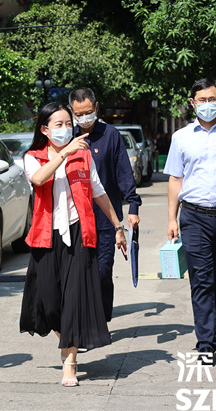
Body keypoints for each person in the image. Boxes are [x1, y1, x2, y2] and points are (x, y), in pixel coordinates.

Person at [19, 102, 127, 387]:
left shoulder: (84, 155)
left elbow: (99, 192)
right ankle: (68, 341)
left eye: (69, 124)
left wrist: (118, 226)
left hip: (80, 234)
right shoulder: (33, 157)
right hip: (46, 235)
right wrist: (64, 154)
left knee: (74, 301)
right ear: (45, 129)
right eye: (59, 124)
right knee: (49, 302)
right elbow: (38, 179)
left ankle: (70, 362)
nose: (66, 129)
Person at [165, 78, 216, 363]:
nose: (209, 104)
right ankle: (206, 342)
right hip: (194, 217)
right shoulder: (181, 137)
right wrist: (172, 218)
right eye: (202, 100)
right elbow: (176, 179)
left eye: (213, 99)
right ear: (193, 103)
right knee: (201, 280)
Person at [69, 87, 142, 323]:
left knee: (102, 270)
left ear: (97, 108)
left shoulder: (111, 135)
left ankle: (101, 319)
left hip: (105, 219)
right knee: (79, 274)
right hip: (74, 219)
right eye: (79, 114)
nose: (84, 117)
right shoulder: (67, 137)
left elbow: (124, 173)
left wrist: (133, 206)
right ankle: (84, 322)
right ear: (72, 112)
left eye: (88, 112)